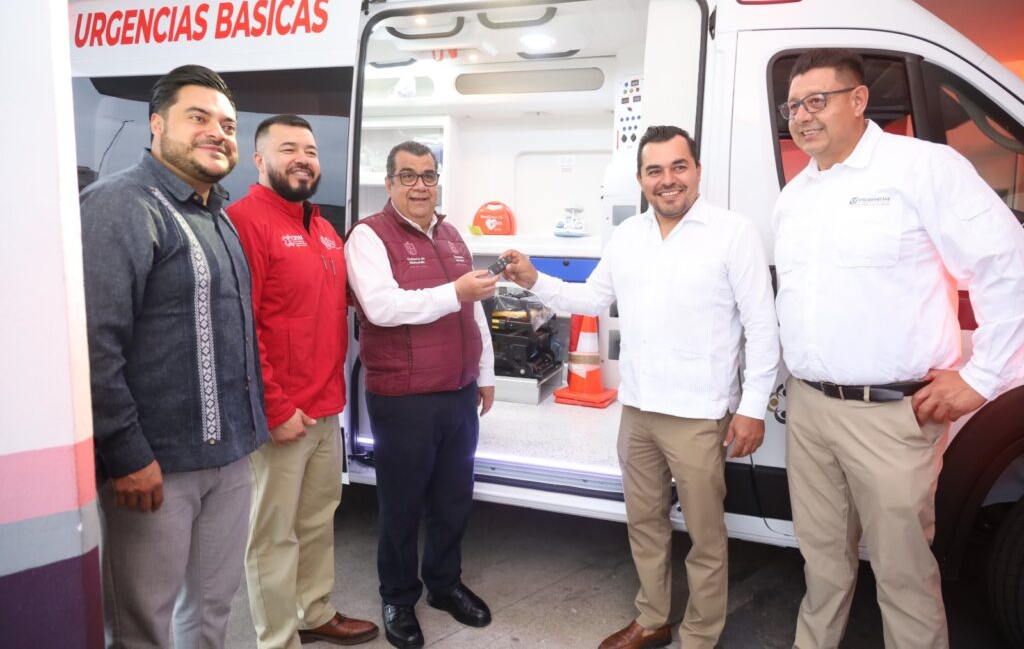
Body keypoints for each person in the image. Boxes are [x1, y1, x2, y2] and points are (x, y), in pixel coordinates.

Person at [774, 48, 1024, 649]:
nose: (802, 116)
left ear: (859, 100)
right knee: (821, 562)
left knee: (903, 573)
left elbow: (1006, 266)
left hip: (889, 416)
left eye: (817, 100)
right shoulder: (795, 196)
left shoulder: (922, 168)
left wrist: (983, 377)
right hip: (809, 410)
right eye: (793, 106)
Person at [502, 125, 780, 649]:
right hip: (638, 411)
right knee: (644, 522)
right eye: (655, 170)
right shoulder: (629, 235)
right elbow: (590, 299)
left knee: (705, 535)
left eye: (678, 167)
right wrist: (534, 279)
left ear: (697, 170)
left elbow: (763, 328)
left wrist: (752, 408)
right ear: (641, 179)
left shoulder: (733, 233)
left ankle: (700, 634)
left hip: (699, 413)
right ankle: (652, 619)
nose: (667, 179)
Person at [80, 65, 269, 648]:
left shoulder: (217, 215)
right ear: (157, 124)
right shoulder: (121, 204)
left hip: (230, 459)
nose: (218, 132)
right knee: (142, 625)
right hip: (155, 470)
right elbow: (93, 344)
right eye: (198, 117)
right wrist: (127, 455)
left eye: (228, 125)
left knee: (212, 611)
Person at [227, 115, 379, 648]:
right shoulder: (245, 222)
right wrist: (273, 408)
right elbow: (240, 327)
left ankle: (313, 612)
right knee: (273, 536)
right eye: (288, 148)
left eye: (310, 151)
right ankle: (278, 639)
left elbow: (342, 299)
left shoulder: (323, 227)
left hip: (325, 407)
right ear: (259, 160)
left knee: (317, 520)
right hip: (282, 414)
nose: (303, 159)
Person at [345, 141, 499, 649]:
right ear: (389, 183)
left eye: (428, 176)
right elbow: (382, 307)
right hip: (404, 397)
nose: (419, 186)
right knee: (402, 505)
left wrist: (485, 372)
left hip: (458, 392)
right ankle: (397, 597)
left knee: (453, 498)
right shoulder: (369, 235)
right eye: (407, 176)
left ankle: (444, 584)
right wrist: (454, 292)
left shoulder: (452, 235)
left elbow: (474, 311)